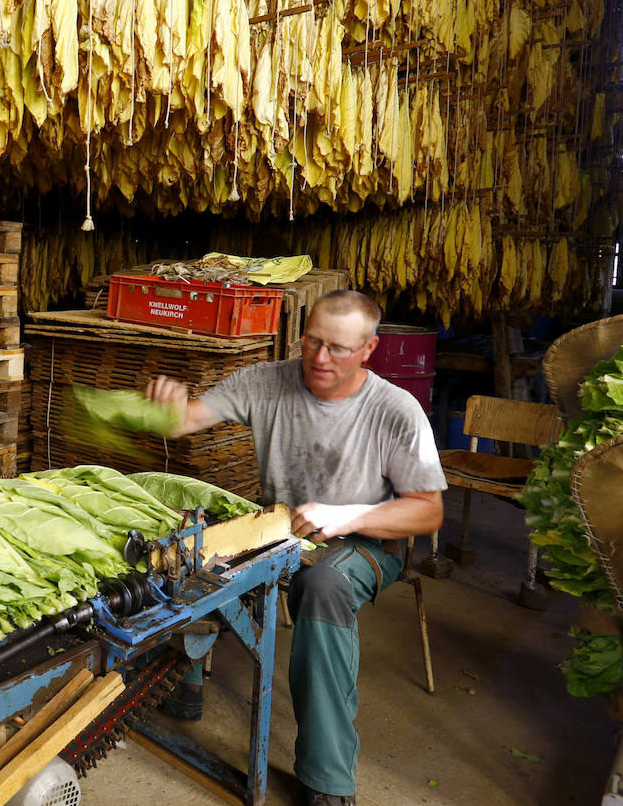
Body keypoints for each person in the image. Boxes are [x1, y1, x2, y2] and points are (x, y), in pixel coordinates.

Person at [145, 289, 445, 806]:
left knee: (322, 584)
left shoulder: (396, 411)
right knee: (195, 546)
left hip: (366, 541)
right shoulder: (266, 381)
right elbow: (189, 418)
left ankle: (326, 777)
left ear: (369, 349)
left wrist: (350, 514)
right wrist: (170, 410)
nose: (320, 359)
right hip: (281, 530)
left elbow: (427, 510)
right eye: (312, 342)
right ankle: (183, 684)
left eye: (338, 349)